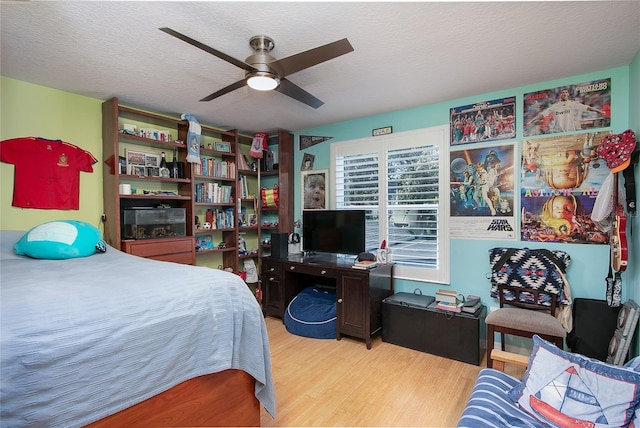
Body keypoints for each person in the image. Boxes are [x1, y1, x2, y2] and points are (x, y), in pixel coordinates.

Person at [526, 88, 605, 133]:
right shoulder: (555, 106)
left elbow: (587, 107)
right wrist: (531, 121)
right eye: (562, 93)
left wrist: (600, 111)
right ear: (560, 95)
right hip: (557, 131)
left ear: (568, 95)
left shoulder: (573, 104)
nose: (564, 94)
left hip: (570, 130)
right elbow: (542, 115)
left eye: (566, 92)